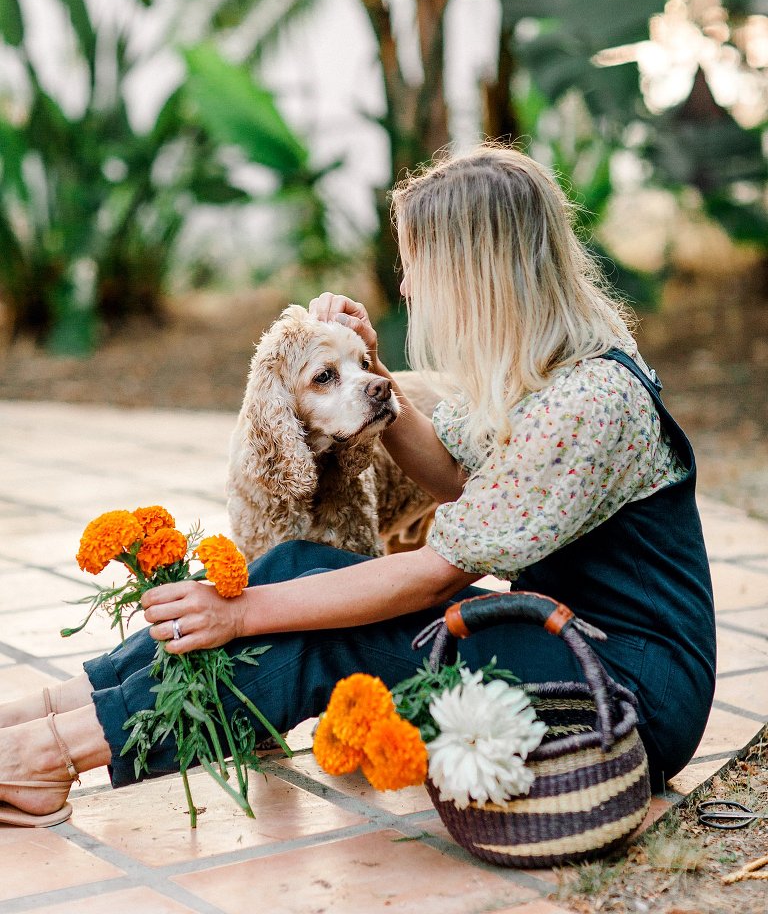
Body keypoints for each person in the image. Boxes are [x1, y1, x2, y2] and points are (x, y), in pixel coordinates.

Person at [0, 145, 716, 827]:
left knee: (316, 633)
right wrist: (376, 369)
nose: (405, 286)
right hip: (570, 640)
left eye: (414, 266)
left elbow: (434, 576)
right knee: (291, 566)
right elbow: (450, 477)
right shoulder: (551, 363)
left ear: (475, 271)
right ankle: (50, 714)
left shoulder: (586, 401)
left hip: (628, 695)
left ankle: (46, 756)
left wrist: (246, 615)